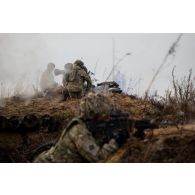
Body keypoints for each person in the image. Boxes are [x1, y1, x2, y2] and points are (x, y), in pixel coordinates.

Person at [34, 92, 123, 163]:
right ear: (95, 115)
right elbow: (97, 157)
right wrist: (115, 142)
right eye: (104, 115)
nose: (107, 118)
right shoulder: (79, 130)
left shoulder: (86, 125)